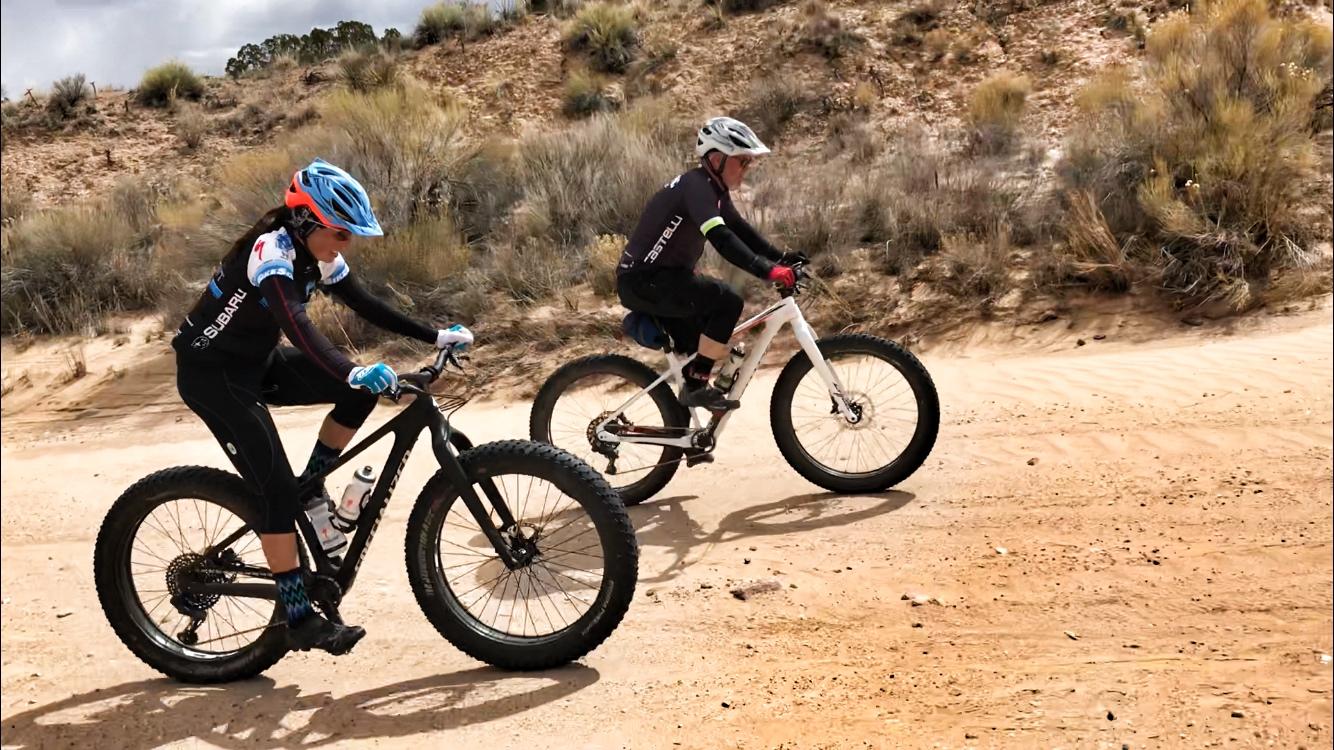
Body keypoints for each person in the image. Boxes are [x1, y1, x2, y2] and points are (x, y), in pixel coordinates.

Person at [172, 158, 473, 655]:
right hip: (213, 376)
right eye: (340, 233)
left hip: (257, 362)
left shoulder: (318, 253)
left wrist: (435, 335)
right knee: (275, 491)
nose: (346, 243)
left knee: (359, 392)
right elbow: (298, 325)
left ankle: (311, 487)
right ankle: (297, 617)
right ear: (307, 220)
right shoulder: (270, 252)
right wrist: (351, 368)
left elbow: (365, 302)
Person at [616, 117, 805, 411]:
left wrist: (780, 258)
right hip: (644, 281)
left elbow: (739, 230)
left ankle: (687, 427)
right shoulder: (696, 187)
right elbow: (722, 239)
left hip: (661, 279)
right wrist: (767, 270)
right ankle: (695, 388)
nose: (747, 168)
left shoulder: (712, 190)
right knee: (727, 302)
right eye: (742, 161)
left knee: (700, 344)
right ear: (717, 159)